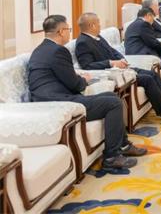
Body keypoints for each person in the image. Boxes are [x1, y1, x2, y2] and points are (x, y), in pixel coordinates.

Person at [28, 15, 147, 169]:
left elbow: (61, 75)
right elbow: (75, 84)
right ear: (61, 32)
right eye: (68, 29)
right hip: (58, 102)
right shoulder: (58, 51)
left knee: (111, 96)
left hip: (48, 99)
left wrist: (78, 77)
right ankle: (111, 157)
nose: (70, 33)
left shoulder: (40, 50)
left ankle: (123, 146)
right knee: (113, 103)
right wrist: (84, 79)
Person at [75, 12, 161, 122]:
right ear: (92, 25)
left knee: (153, 74)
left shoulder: (98, 37)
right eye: (98, 23)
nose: (100, 25)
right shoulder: (82, 43)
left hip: (123, 68)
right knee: (148, 79)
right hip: (114, 74)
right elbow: (87, 66)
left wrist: (121, 59)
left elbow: (113, 51)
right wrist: (111, 63)